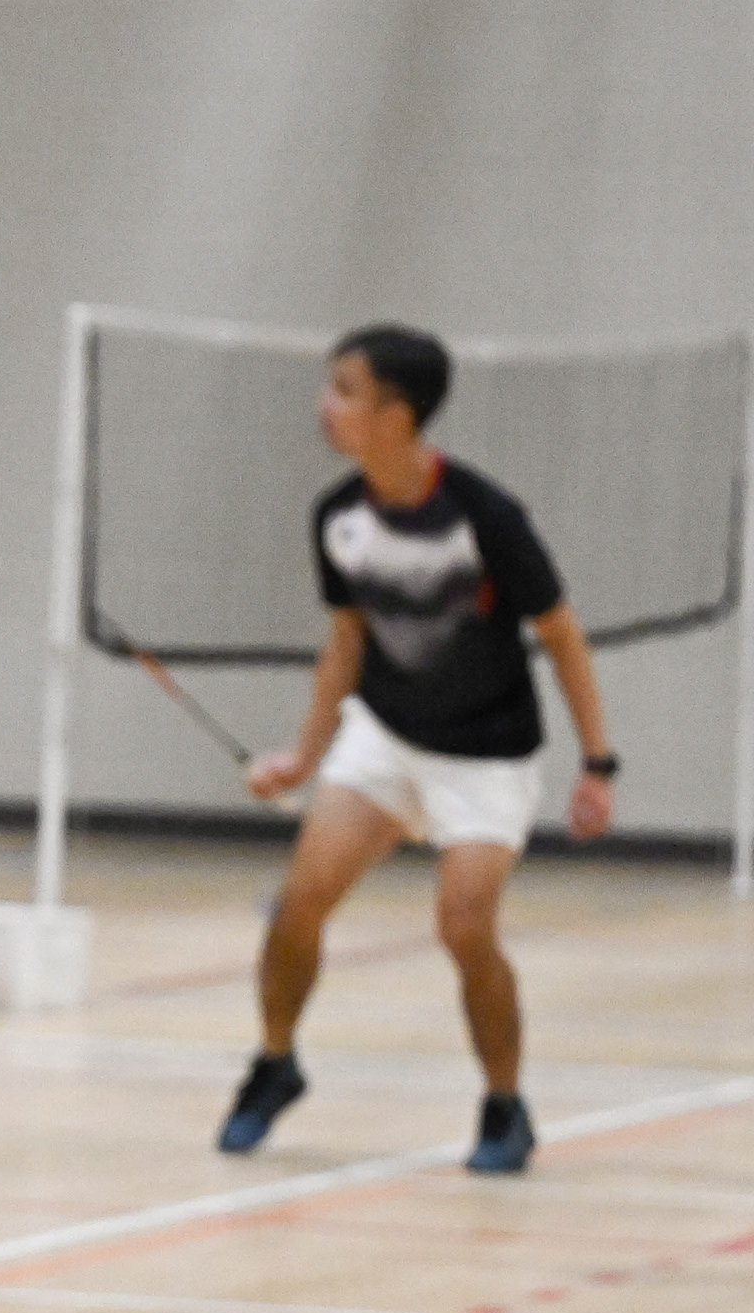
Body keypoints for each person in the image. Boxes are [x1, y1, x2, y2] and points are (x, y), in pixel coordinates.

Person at [214, 325, 619, 1169]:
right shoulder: (338, 516)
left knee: (464, 928)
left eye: (345, 390)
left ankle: (504, 1106)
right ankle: (275, 1062)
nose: (325, 406)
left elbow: (562, 635)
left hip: (488, 755)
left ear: (397, 415)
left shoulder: (486, 516)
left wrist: (597, 763)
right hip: (387, 738)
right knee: (299, 902)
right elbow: (345, 642)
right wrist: (303, 756)